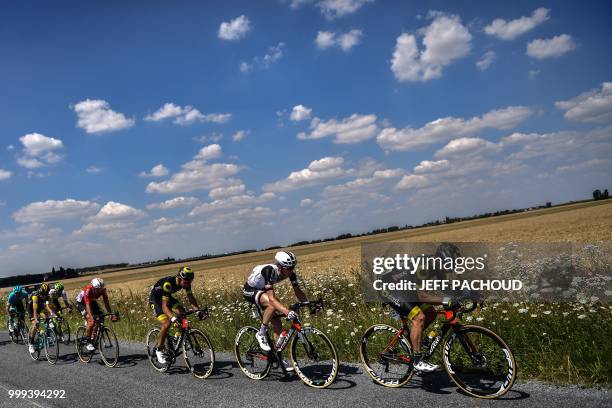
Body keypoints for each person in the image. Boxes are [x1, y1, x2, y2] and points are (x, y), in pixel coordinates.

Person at [382, 243, 461, 373]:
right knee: (419, 317)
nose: (449, 269)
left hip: (405, 287)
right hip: (389, 287)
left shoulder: (438, 266)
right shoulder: (424, 267)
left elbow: (447, 288)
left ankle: (410, 341)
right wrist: (446, 301)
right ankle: (417, 360)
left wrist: (469, 295)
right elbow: (422, 296)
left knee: (431, 313)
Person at [242, 251, 310, 371]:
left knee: (278, 324)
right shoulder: (269, 270)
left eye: (293, 267)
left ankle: (277, 356)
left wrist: (309, 304)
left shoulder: (290, 273)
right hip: (250, 289)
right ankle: (261, 333)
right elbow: (272, 300)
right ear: (279, 266)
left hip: (263, 290)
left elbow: (298, 291)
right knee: (272, 305)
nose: (291, 270)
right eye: (288, 268)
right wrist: (287, 311)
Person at [148, 267, 205, 364]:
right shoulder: (168, 284)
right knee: (166, 323)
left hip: (166, 298)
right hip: (155, 299)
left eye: (190, 282)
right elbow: (165, 307)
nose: (188, 284)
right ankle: (159, 349)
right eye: (186, 281)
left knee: (182, 312)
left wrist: (198, 311)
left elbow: (191, 298)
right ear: (179, 278)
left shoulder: (187, 283)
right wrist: (173, 318)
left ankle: (177, 336)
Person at [75, 278, 118, 352]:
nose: (99, 291)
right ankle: (88, 341)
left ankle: (93, 336)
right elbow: (87, 305)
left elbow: (106, 303)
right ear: (93, 287)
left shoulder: (103, 290)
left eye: (100, 289)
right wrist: (91, 317)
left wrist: (111, 314)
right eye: (97, 289)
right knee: (90, 319)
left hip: (92, 301)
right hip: (81, 303)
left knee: (100, 317)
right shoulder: (88, 290)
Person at [27, 283, 52, 354]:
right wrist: (35, 320)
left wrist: (52, 313)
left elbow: (47, 306)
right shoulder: (35, 297)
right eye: (44, 294)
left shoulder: (47, 296)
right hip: (31, 308)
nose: (45, 296)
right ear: (41, 293)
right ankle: (31, 344)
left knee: (46, 317)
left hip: (40, 306)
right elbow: (35, 311)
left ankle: (45, 334)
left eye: (46, 294)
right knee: (35, 324)